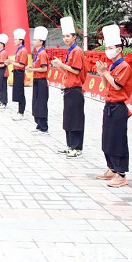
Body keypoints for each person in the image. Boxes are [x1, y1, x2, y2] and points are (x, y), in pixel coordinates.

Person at [95, 24, 132, 188]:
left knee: (118, 140)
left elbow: (118, 86)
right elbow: (107, 85)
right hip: (109, 104)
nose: (108, 50)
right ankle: (111, 168)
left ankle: (121, 173)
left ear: (119, 49)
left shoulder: (124, 66)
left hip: (118, 106)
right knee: (108, 138)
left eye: (111, 47)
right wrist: (102, 73)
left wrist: (105, 72)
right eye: (107, 47)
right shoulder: (113, 66)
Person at [51, 17, 87, 158]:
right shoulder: (71, 51)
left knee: (75, 119)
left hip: (75, 89)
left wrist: (61, 64)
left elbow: (76, 71)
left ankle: (77, 148)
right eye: (64, 36)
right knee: (69, 119)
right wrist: (59, 66)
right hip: (69, 89)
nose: (65, 39)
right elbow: (68, 71)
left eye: (68, 36)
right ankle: (70, 145)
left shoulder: (77, 51)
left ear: (74, 36)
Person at [25, 26, 50, 134]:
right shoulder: (37, 52)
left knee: (41, 103)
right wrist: (31, 67)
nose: (33, 41)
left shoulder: (42, 53)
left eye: (35, 40)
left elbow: (44, 68)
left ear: (41, 41)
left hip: (41, 81)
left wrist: (32, 69)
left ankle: (43, 127)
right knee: (36, 103)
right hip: (36, 80)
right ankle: (39, 125)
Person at [6, 28, 28, 120]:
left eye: (15, 39)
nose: (14, 41)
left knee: (20, 92)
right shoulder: (19, 50)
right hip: (16, 72)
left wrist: (11, 62)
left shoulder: (23, 50)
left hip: (20, 72)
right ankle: (19, 111)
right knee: (18, 92)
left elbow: (21, 64)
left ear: (21, 40)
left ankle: (21, 112)